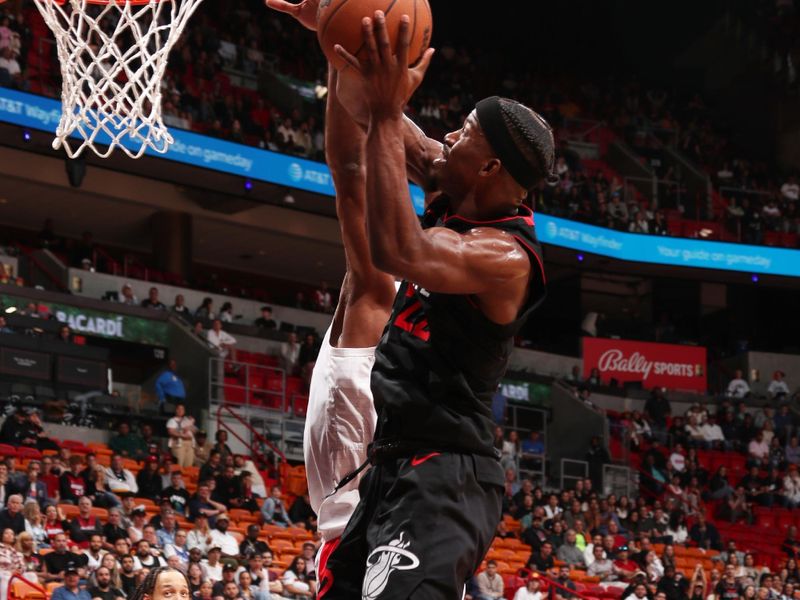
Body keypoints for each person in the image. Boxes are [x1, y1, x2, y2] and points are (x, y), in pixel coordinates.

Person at [287, 10, 551, 600]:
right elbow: (358, 143)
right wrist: (337, 40)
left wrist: (384, 111)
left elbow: (397, 247)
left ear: (489, 167)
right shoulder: (455, 185)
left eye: (461, 134)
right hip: (391, 466)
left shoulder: (503, 256)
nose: (447, 139)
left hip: (448, 473)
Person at [167, 403, 196, 468]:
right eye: (178, 409)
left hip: (190, 444)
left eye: (182, 409)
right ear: (175, 410)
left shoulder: (187, 419)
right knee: (179, 464)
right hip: (179, 444)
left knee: (189, 465)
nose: (180, 410)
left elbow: (194, 430)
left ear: (184, 411)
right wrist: (182, 434)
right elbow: (171, 432)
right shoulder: (172, 420)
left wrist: (190, 425)